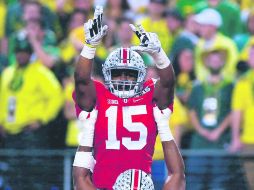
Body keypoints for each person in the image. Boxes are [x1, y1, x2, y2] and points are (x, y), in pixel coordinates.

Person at [72, 6, 185, 190]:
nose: (124, 78)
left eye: (129, 74)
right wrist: (159, 55)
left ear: (141, 76)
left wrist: (89, 47)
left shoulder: (149, 93)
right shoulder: (102, 94)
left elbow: (167, 83)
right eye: (118, 73)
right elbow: (82, 81)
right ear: (108, 74)